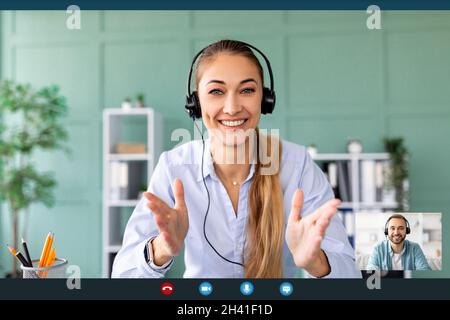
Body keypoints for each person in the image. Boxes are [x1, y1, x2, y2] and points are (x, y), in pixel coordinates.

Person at [112, 39, 360, 278]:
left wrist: (315, 262)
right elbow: (123, 277)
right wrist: (161, 250)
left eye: (247, 90)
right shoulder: (174, 168)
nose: (232, 107)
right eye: (216, 91)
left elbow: (349, 276)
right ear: (196, 102)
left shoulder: (297, 166)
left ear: (265, 99)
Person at [367, 214, 431, 271]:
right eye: (392, 228)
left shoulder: (414, 248)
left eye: (401, 228)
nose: (396, 232)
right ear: (387, 231)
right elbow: (371, 270)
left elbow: (425, 270)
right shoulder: (378, 248)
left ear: (407, 231)